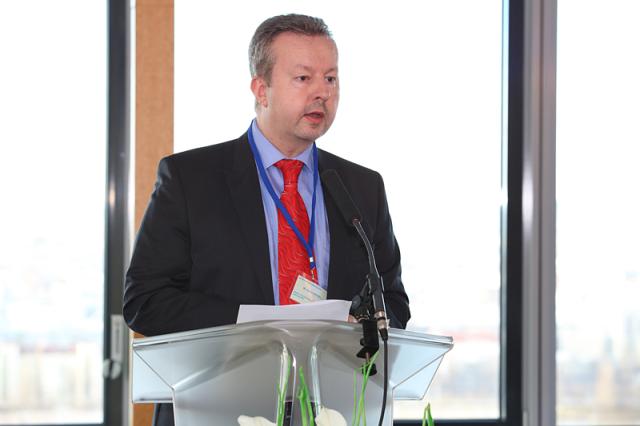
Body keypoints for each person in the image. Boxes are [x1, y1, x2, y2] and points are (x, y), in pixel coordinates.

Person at [123, 14, 410, 426]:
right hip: (214, 407)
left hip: (332, 409)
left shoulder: (361, 187)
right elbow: (144, 301)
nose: (322, 94)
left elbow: (394, 305)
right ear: (262, 89)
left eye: (330, 79)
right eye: (303, 78)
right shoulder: (190, 179)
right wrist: (254, 328)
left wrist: (354, 330)